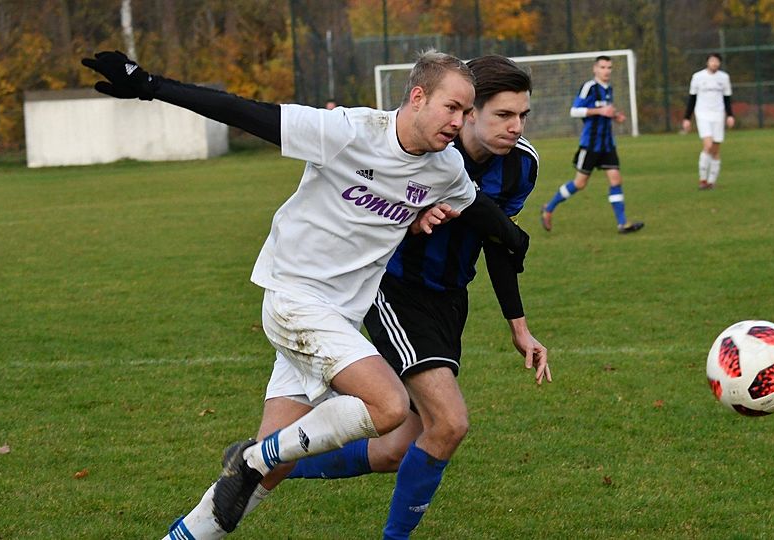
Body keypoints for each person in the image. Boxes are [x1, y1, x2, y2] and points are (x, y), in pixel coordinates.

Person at [81, 48, 529, 539]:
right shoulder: (348, 132)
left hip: (339, 317)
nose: (459, 121)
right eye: (452, 107)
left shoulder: (445, 168)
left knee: (269, 474)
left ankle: (197, 519)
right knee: (388, 406)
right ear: (418, 97)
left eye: (466, 111)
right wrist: (151, 86)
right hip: (294, 300)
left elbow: (477, 208)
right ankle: (254, 457)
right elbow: (244, 111)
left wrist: (513, 238)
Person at [282, 54, 550, 540]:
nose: (516, 127)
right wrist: (414, 217)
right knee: (450, 423)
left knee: (396, 448)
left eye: (522, 115)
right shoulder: (425, 146)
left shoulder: (521, 166)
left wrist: (520, 327)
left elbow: (499, 242)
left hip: (450, 299)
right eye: (503, 115)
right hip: (396, 291)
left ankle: (264, 463)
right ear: (469, 111)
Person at [540, 55, 643, 234]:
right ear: (595, 69)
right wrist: (600, 111)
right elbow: (574, 111)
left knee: (616, 179)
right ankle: (548, 208)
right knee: (579, 183)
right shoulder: (589, 87)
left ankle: (622, 224)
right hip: (590, 145)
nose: (606, 71)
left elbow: (605, 112)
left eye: (609, 68)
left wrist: (615, 116)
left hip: (607, 145)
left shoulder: (609, 89)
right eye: (602, 67)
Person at [682, 53, 734, 190]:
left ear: (719, 63)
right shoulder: (697, 77)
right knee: (708, 145)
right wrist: (687, 118)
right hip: (702, 114)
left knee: (715, 149)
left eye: (717, 61)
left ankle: (711, 181)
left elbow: (727, 99)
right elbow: (692, 99)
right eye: (712, 61)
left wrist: (730, 115)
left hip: (718, 115)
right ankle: (702, 179)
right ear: (707, 62)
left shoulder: (724, 78)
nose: (714, 63)